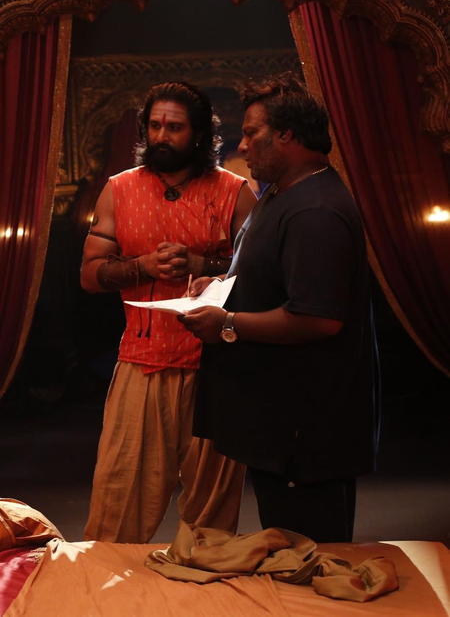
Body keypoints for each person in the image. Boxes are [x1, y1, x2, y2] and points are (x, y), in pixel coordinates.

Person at [180, 72, 380, 543]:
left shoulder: (316, 209)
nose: (242, 145)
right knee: (288, 552)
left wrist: (227, 323)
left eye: (252, 133)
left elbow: (318, 318)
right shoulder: (281, 192)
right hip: (279, 422)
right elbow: (272, 275)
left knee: (310, 558)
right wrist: (222, 286)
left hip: (306, 431)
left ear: (287, 135)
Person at [81, 81, 256, 543]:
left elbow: (264, 273)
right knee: (116, 512)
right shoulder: (119, 190)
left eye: (174, 127)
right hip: (142, 365)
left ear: (198, 134)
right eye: (154, 126)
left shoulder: (235, 192)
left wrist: (205, 266)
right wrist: (141, 266)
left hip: (217, 366)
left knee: (210, 525)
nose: (161, 136)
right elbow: (89, 275)